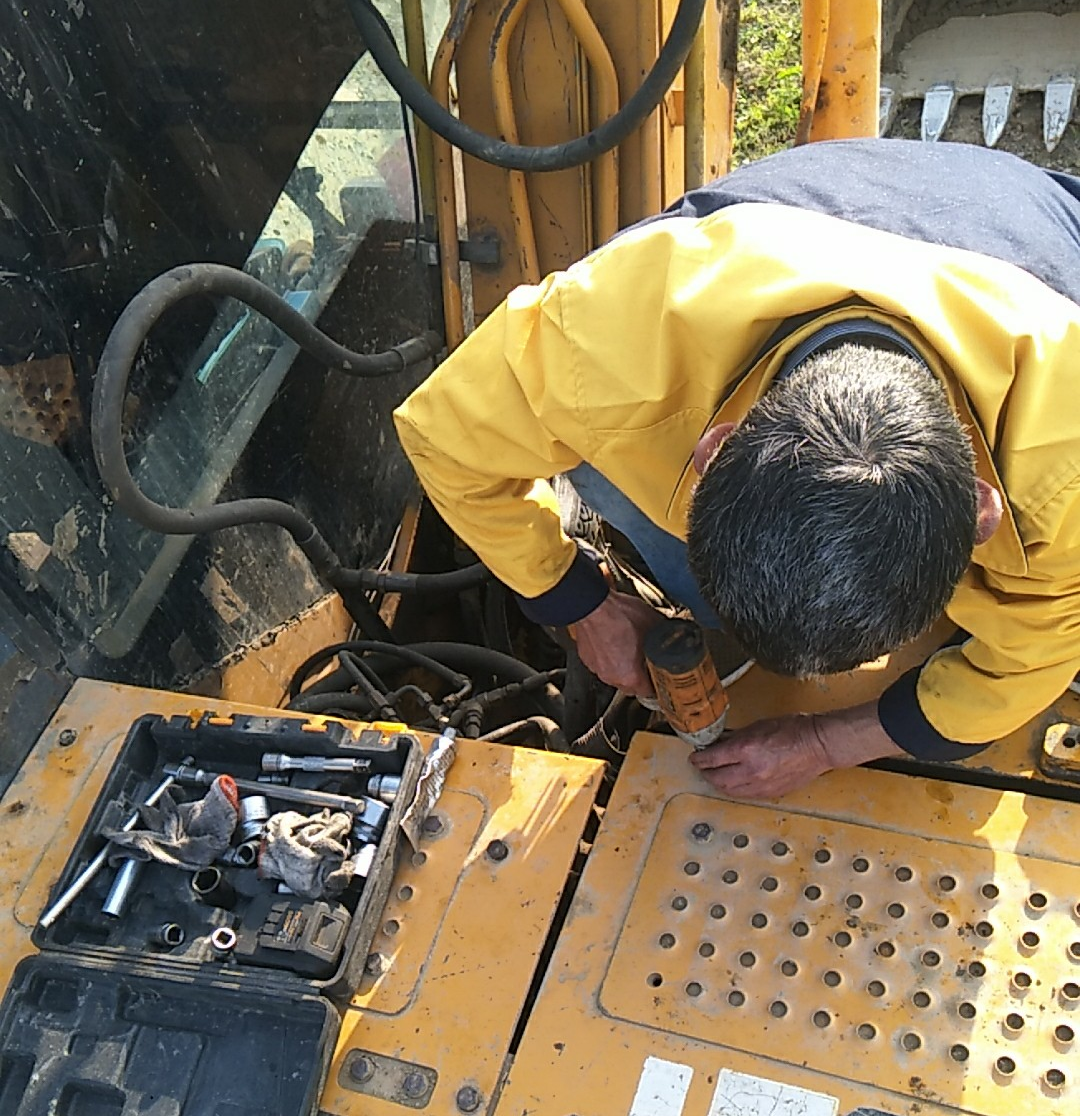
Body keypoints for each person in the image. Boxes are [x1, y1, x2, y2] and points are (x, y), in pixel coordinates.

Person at [394, 138, 1080, 800]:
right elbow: (443, 433)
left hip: (1032, 237)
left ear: (983, 512)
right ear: (712, 448)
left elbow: (1034, 660)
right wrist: (580, 603)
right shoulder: (613, 340)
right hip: (787, 220)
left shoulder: (1067, 467)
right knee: (597, 457)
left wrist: (827, 742)